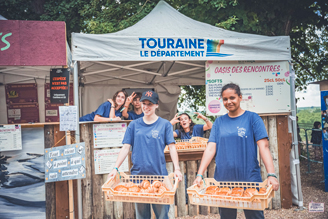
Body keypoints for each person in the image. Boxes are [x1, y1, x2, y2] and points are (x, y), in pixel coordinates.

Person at [193, 83, 279, 219]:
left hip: (249, 178)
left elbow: (264, 146)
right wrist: (199, 174)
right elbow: (210, 148)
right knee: (227, 216)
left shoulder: (252, 118)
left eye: (232, 98)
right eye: (225, 99)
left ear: (240, 97)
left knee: (255, 216)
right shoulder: (219, 122)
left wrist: (271, 174)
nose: (229, 102)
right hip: (224, 179)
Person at [107, 90, 182, 219]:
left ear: (157, 105)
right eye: (144, 103)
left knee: (162, 215)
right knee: (142, 216)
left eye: (150, 104)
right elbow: (125, 148)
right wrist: (115, 168)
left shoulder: (165, 125)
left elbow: (172, 147)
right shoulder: (133, 125)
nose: (146, 107)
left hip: (159, 177)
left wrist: (177, 169)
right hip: (138, 178)